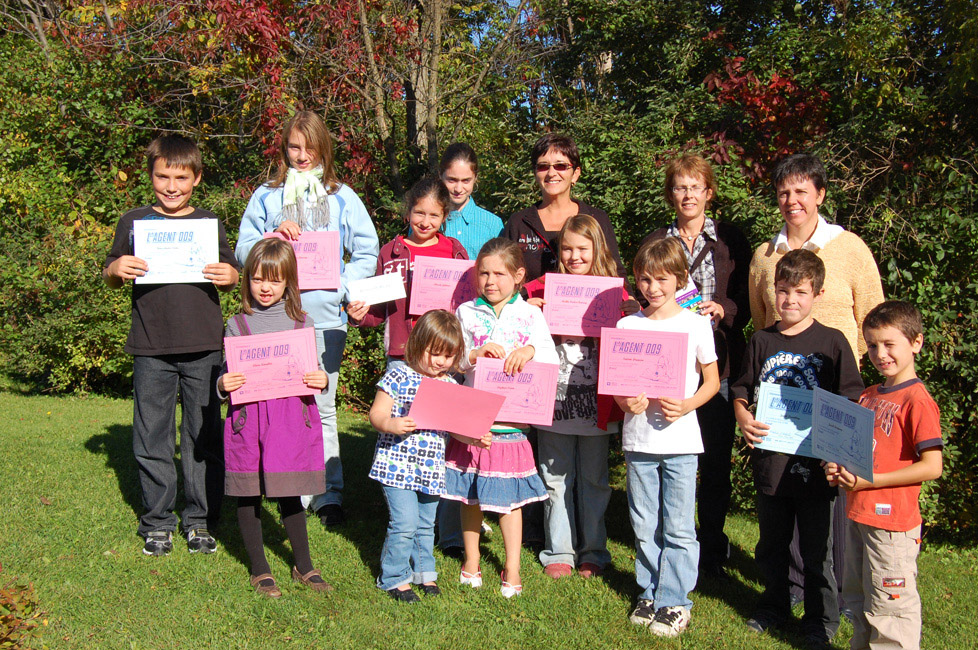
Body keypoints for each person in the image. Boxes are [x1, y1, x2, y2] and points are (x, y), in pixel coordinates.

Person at [748, 152, 884, 611]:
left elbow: (873, 317)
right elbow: (761, 318)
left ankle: (834, 600)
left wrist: (840, 366)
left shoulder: (850, 248)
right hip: (780, 398)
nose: (792, 200)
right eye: (784, 192)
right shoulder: (766, 257)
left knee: (827, 501)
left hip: (833, 393)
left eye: (801, 191)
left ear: (820, 194)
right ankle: (783, 596)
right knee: (785, 494)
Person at [237, 110, 379, 528]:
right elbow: (244, 250)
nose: (301, 155)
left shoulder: (342, 196)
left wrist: (343, 287)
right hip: (274, 319)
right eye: (293, 147)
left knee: (322, 408)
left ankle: (328, 493)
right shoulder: (266, 194)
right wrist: (271, 237)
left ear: (323, 147)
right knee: (279, 407)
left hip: (324, 321)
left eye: (309, 146)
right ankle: (289, 493)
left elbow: (367, 250)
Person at [103, 134, 239, 556]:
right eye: (163, 176)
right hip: (150, 347)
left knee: (202, 437)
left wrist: (229, 275)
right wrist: (116, 268)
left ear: (196, 178)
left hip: (203, 347)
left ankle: (198, 520)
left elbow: (233, 270)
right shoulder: (134, 221)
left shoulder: (209, 223)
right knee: (152, 437)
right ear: (151, 176)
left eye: (181, 176)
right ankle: (157, 521)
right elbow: (109, 271)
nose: (171, 185)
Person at [733, 250, 864, 648]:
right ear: (773, 291)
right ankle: (773, 606)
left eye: (800, 292)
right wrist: (742, 416)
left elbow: (851, 399)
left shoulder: (832, 342)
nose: (790, 300)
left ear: (818, 294)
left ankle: (820, 619)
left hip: (817, 465)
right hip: (771, 461)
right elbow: (741, 389)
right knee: (771, 544)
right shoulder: (762, 339)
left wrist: (839, 449)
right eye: (783, 291)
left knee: (816, 548)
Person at [641, 154, 751, 578]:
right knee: (670, 456)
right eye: (680, 187)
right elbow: (642, 290)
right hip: (666, 369)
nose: (688, 194)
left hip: (715, 365)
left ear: (709, 192)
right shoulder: (656, 238)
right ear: (671, 193)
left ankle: (712, 539)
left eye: (695, 187)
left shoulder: (730, 240)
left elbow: (748, 298)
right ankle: (673, 536)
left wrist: (723, 308)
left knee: (715, 459)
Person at [615, 237, 720, 638]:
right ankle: (649, 590)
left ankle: (675, 600)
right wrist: (628, 402)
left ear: (680, 279)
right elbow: (619, 387)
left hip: (680, 443)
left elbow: (711, 381)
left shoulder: (695, 324)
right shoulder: (628, 325)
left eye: (661, 279)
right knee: (644, 522)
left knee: (677, 525)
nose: (652, 288)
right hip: (639, 440)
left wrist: (688, 404)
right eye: (644, 279)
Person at [824, 301, 943, 650]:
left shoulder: (917, 400)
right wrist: (837, 467)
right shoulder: (869, 395)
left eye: (890, 344)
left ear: (916, 343)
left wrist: (869, 481)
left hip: (892, 526)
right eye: (873, 345)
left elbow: (932, 466)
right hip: (859, 515)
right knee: (861, 605)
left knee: (890, 611)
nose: (880, 353)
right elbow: (855, 453)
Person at [218, 239, 331, 598]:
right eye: (257, 279)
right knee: (248, 493)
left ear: (289, 283)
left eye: (275, 280)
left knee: (289, 491)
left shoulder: (304, 324)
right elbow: (224, 374)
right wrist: (224, 382)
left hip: (289, 420)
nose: (265, 288)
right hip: (248, 419)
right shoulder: (236, 325)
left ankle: (304, 564)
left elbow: (320, 370)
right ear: (247, 279)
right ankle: (259, 567)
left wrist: (322, 378)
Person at [445, 238, 557, 597]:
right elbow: (455, 361)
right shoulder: (465, 312)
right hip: (474, 419)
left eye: (499, 273)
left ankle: (512, 566)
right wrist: (475, 353)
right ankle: (473, 559)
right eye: (483, 273)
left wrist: (528, 350)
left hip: (512, 421)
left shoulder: (531, 314)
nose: (490, 280)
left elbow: (550, 360)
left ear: (519, 276)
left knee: (509, 500)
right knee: (470, 495)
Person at [522, 214, 628, 579]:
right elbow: (507, 312)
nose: (574, 256)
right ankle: (559, 550)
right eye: (567, 248)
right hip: (552, 400)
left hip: (596, 404)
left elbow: (638, 329)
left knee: (595, 479)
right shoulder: (539, 289)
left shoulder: (615, 293)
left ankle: (594, 551)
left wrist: (628, 316)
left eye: (583, 248)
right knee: (554, 477)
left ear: (597, 249)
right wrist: (526, 310)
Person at [367, 310, 490, 603]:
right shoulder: (397, 373)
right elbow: (376, 413)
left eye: (448, 357)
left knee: (425, 523)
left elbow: (455, 429)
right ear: (416, 344)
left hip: (431, 468)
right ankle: (394, 578)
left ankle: (425, 574)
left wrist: (474, 436)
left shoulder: (449, 384)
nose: (440, 362)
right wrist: (391, 424)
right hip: (396, 466)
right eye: (434, 353)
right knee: (405, 522)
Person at [347, 177, 467, 366]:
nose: (425, 222)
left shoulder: (454, 251)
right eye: (419, 213)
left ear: (444, 216)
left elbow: (464, 306)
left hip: (442, 356)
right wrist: (358, 316)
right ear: (408, 211)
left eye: (434, 216)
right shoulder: (390, 252)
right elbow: (378, 309)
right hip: (402, 355)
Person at [505, 133, 626, 283]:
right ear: (535, 173)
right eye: (543, 167)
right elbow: (505, 276)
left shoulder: (597, 218)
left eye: (560, 166)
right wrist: (522, 302)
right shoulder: (519, 223)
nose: (551, 173)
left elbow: (615, 273)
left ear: (575, 174)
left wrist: (629, 301)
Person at [438, 143, 504, 260]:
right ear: (440, 175)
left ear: (475, 178)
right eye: (452, 180)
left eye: (466, 181)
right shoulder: (426, 222)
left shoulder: (493, 224)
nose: (458, 189)